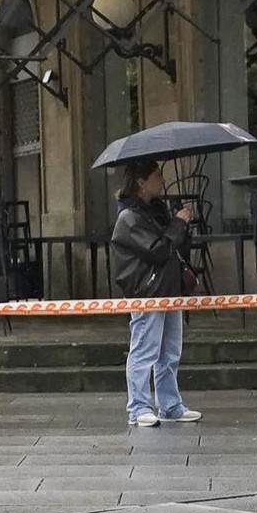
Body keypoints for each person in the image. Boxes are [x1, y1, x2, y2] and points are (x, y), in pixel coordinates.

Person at [110, 159, 203, 428]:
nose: (162, 180)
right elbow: (158, 250)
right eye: (157, 175)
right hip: (147, 290)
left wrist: (182, 223)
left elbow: (174, 247)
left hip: (168, 288)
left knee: (169, 351)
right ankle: (138, 407)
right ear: (141, 182)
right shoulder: (129, 218)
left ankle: (170, 404)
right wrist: (176, 224)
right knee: (144, 350)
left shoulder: (155, 211)